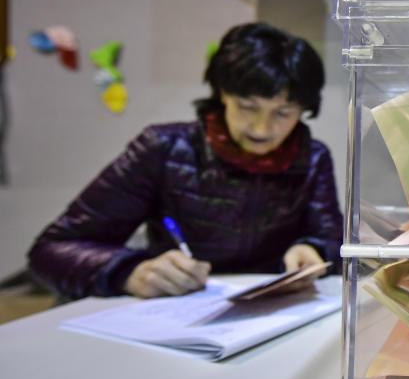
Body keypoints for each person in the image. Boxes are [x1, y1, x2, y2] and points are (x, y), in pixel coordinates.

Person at [28, 22, 343, 300]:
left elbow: (334, 244)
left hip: (274, 316)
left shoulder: (312, 158)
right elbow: (50, 252)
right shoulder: (163, 149)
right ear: (222, 94)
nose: (262, 128)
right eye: (247, 106)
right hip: (174, 313)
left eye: (283, 113)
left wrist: (315, 251)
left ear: (304, 110)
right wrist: (128, 271)